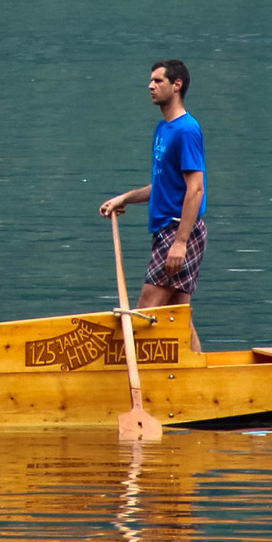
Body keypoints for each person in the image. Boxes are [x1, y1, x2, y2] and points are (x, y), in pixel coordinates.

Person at [99, 60, 206, 350]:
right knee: (178, 315)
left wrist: (180, 242)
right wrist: (125, 199)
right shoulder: (163, 129)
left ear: (177, 85)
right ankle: (200, 375)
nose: (150, 86)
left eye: (158, 80)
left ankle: (124, 377)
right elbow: (164, 186)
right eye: (151, 80)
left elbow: (195, 190)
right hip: (166, 230)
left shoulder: (186, 130)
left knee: (144, 312)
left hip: (178, 229)